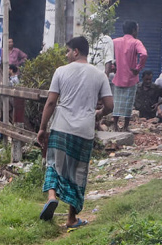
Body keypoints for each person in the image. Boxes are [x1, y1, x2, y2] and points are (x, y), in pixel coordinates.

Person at [37, 36, 112, 229]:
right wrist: (98, 114)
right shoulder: (99, 75)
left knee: (54, 164)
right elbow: (110, 106)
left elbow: (51, 102)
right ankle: (71, 218)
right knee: (78, 172)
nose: (66, 54)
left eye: (68, 51)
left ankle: (52, 197)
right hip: (84, 131)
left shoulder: (61, 71)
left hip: (61, 127)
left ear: (76, 51)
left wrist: (42, 128)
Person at [112, 21, 147, 132]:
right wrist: (138, 68)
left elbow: (106, 51)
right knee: (128, 102)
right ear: (133, 30)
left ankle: (115, 125)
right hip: (131, 78)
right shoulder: (136, 42)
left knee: (117, 102)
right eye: (137, 29)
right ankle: (126, 126)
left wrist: (112, 66)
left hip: (118, 77)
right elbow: (144, 54)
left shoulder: (115, 41)